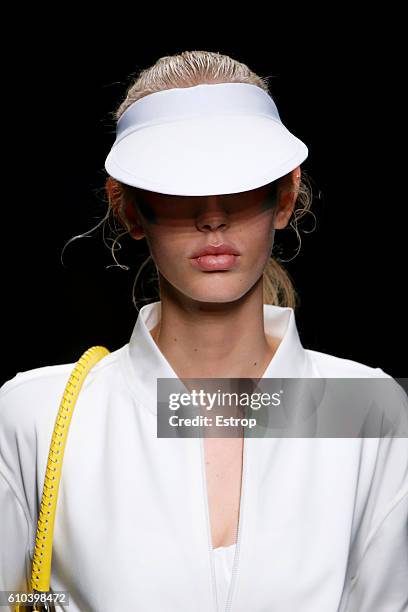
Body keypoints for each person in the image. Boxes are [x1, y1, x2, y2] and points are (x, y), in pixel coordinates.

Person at [1, 50, 407, 612]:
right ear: (130, 210)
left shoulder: (369, 411)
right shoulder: (32, 416)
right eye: (178, 184)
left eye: (239, 181)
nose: (211, 216)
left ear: (284, 198)